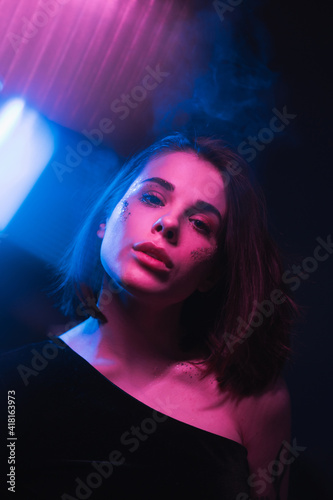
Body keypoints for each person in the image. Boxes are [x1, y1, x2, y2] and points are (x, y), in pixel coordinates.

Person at [0, 133, 298, 499]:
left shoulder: (251, 399)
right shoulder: (15, 382)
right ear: (106, 219)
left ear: (212, 274)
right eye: (153, 198)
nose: (169, 223)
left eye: (201, 223)